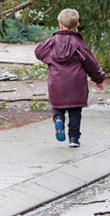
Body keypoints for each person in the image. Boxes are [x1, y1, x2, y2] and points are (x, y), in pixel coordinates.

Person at [35, 8, 105, 148]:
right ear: (77, 25)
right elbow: (91, 63)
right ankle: (73, 138)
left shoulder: (52, 42)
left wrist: (50, 60)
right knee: (75, 111)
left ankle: (58, 119)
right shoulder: (79, 44)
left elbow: (38, 51)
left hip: (56, 83)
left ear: (60, 25)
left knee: (58, 107)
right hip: (76, 85)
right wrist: (98, 78)